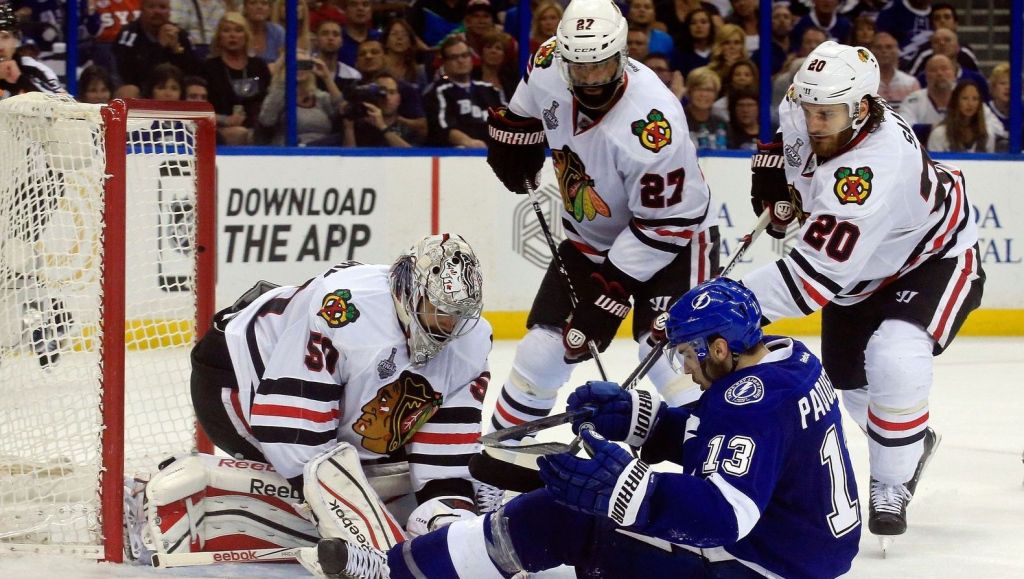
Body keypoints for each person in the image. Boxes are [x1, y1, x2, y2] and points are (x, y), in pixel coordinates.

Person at [308, 278, 861, 579]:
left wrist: (631, 490)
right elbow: (723, 442)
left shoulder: (752, 401)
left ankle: (392, 575)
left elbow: (724, 516)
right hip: (792, 555)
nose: (687, 368)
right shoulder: (788, 361)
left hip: (761, 567)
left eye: (691, 355)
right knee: (579, 519)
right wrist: (642, 422)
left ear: (720, 347)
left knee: (563, 516)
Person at [123, 234, 494, 564]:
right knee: (320, 489)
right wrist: (361, 528)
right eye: (439, 310)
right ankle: (146, 505)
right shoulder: (347, 310)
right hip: (239, 375)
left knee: (385, 481)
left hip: (333, 398)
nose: (449, 326)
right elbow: (292, 436)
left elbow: (442, 467)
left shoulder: (471, 343)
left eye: (458, 315)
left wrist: (451, 522)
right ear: (409, 291)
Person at [743, 40, 984, 545]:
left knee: (894, 356)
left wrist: (727, 300)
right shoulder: (807, 103)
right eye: (809, 111)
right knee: (850, 384)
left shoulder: (873, 166)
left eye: (827, 116)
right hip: (860, 274)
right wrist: (777, 170)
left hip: (931, 257)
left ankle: (892, 479)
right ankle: (910, 441)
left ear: (863, 107)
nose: (814, 124)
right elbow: (792, 142)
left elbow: (809, 280)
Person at [484, 0, 720, 433]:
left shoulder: (653, 126)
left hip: (675, 241)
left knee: (668, 352)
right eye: (580, 69)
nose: (591, 81)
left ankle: (714, 452)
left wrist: (610, 294)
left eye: (602, 68)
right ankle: (500, 462)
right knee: (540, 351)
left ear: (623, 55)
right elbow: (522, 114)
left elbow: (667, 224)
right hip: (589, 239)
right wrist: (512, 140)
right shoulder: (548, 62)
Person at [201, 11, 272, 145]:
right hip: (219, 128)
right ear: (219, 37)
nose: (232, 35)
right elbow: (198, 107)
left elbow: (268, 100)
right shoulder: (208, 67)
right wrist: (225, 120)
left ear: (246, 35)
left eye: (238, 30)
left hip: (257, 128)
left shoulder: (259, 66)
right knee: (241, 134)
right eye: (226, 31)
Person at [424, 36, 503, 147]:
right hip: (457, 154)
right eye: (454, 57)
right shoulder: (438, 92)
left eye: (465, 56)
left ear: (471, 59)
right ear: (445, 63)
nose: (461, 60)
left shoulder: (491, 90)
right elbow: (443, 128)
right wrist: (468, 142)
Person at [112, 0, 201, 99]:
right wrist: (159, 47)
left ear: (169, 11)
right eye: (151, 6)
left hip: (175, 93)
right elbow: (130, 76)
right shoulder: (128, 34)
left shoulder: (180, 35)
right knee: (129, 91)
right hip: (140, 92)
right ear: (141, 8)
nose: (157, 11)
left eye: (162, 7)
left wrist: (176, 50)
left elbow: (194, 73)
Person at [257, 49, 344, 145]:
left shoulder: (319, 97)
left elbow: (343, 111)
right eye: (295, 64)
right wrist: (281, 78)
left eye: (304, 64)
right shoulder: (278, 95)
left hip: (322, 150)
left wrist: (327, 78)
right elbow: (266, 120)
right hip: (291, 151)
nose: (300, 69)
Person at [0, 1, 63, 96]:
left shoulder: (34, 70)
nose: (0, 46)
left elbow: (64, 105)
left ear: (16, 39)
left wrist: (21, 80)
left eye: (5, 37)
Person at [926, 80, 993, 153]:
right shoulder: (939, 134)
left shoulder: (987, 135)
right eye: (965, 98)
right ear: (955, 101)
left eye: (975, 99)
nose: (970, 104)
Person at [872, 31, 919, 113]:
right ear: (871, 52)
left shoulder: (910, 83)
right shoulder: (863, 84)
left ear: (897, 51)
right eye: (879, 47)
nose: (884, 51)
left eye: (889, 47)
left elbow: (917, 112)